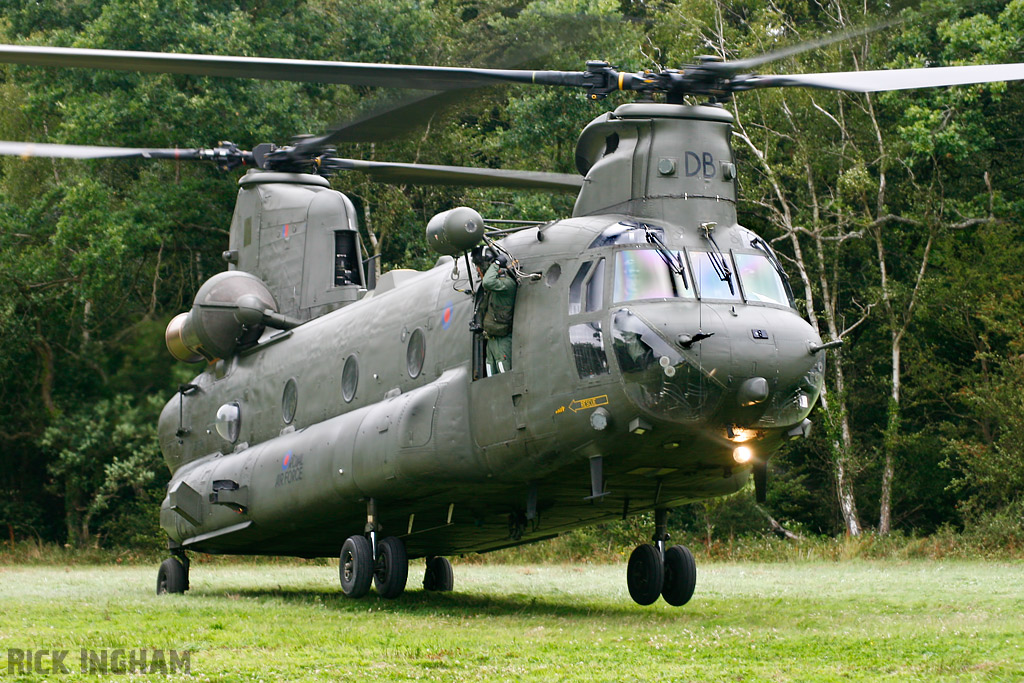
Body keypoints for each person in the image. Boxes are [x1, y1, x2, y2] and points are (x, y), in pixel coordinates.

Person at [473, 247, 518, 374]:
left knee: (503, 371)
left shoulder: (507, 284)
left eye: (479, 267)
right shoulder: (494, 289)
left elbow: (487, 282)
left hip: (502, 339)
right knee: (490, 371)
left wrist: (496, 264)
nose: (477, 271)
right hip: (491, 339)